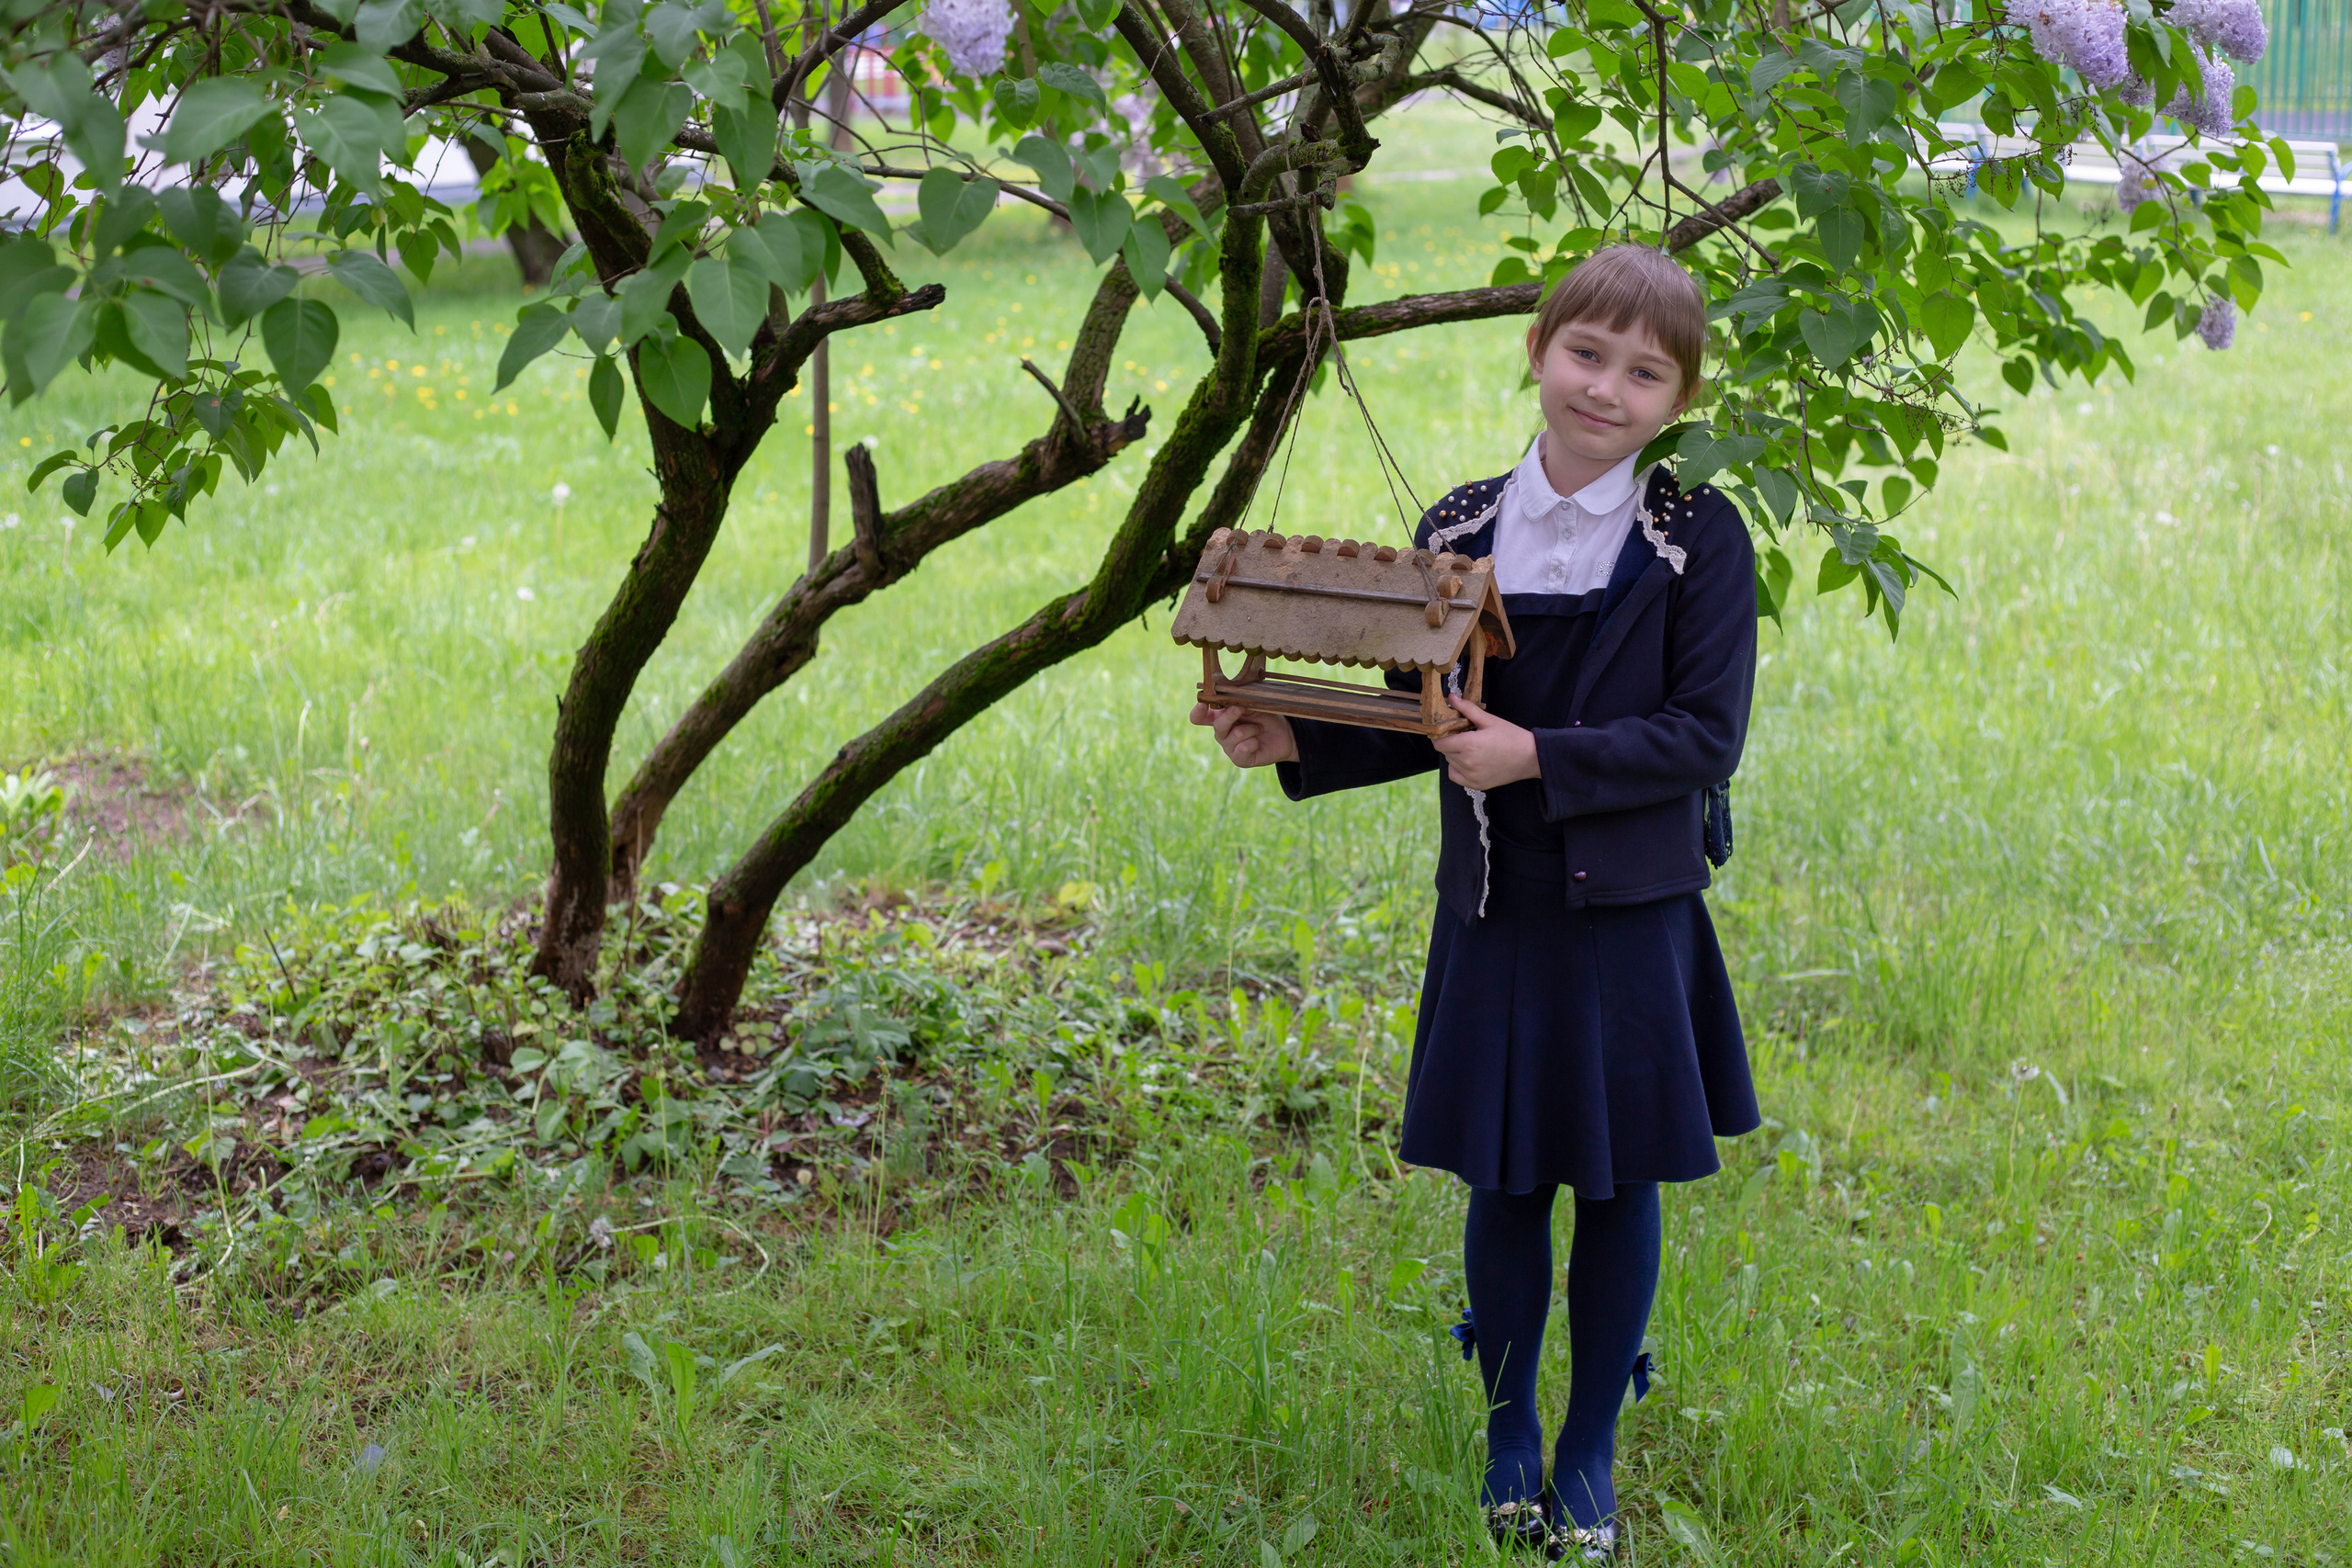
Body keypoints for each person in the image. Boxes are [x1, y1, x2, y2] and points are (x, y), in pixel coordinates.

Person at [1190, 245, 1761, 1562]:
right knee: (1505, 1184)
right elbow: (1419, 716)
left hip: (1633, 923)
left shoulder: (1693, 537)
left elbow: (1703, 738)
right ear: (1537, 349)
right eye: (1586, 354)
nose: (1605, 389)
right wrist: (1291, 742)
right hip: (1496, 908)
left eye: (1644, 372)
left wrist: (1541, 759)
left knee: (1617, 1191)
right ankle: (1510, 1430)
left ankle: (1589, 1454)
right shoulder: (1457, 529)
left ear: (1677, 399)